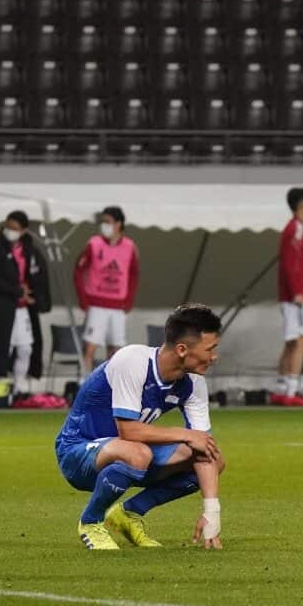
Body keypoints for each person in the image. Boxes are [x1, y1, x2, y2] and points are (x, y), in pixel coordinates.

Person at [54, 304, 226, 551]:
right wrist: (186, 434)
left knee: (212, 458)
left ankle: (129, 513)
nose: (214, 356)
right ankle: (91, 522)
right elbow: (129, 431)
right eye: (210, 349)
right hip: (77, 452)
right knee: (138, 452)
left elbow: (203, 448)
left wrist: (212, 513)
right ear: (181, 349)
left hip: (128, 454)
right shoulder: (133, 360)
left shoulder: (195, 383)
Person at [0, 210, 51, 396]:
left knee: (26, 348)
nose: (9, 231)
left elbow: (39, 276)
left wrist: (37, 298)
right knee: (3, 347)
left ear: (24, 230)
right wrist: (18, 291)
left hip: (23, 309)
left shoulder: (31, 251)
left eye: (14, 228)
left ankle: (19, 385)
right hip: (2, 307)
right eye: (7, 227)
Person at [74, 206, 139, 377]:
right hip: (96, 304)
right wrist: (83, 298)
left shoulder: (129, 247)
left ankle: (111, 388)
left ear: (118, 224)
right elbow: (78, 270)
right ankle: (85, 385)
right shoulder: (94, 243)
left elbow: (134, 274)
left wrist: (129, 300)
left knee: (116, 350)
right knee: (90, 346)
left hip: (117, 306)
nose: (104, 225)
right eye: (102, 222)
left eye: (108, 222)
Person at [273, 186, 303, 407]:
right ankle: (291, 389)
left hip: (292, 294)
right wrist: (297, 291)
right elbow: (290, 263)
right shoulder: (296, 228)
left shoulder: (295, 228)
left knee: (291, 342)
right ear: (302, 203)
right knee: (302, 340)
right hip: (297, 296)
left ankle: (281, 388)